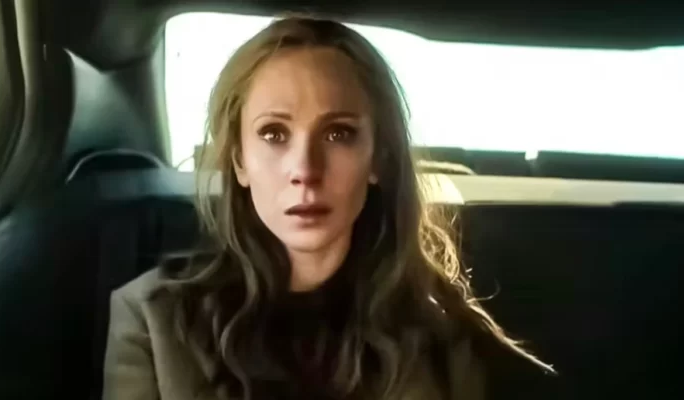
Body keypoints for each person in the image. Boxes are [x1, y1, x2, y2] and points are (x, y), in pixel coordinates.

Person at [102, 15, 552, 400]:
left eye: (338, 134)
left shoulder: (444, 337)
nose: (305, 169)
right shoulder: (151, 318)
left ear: (378, 159)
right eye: (274, 134)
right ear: (239, 161)